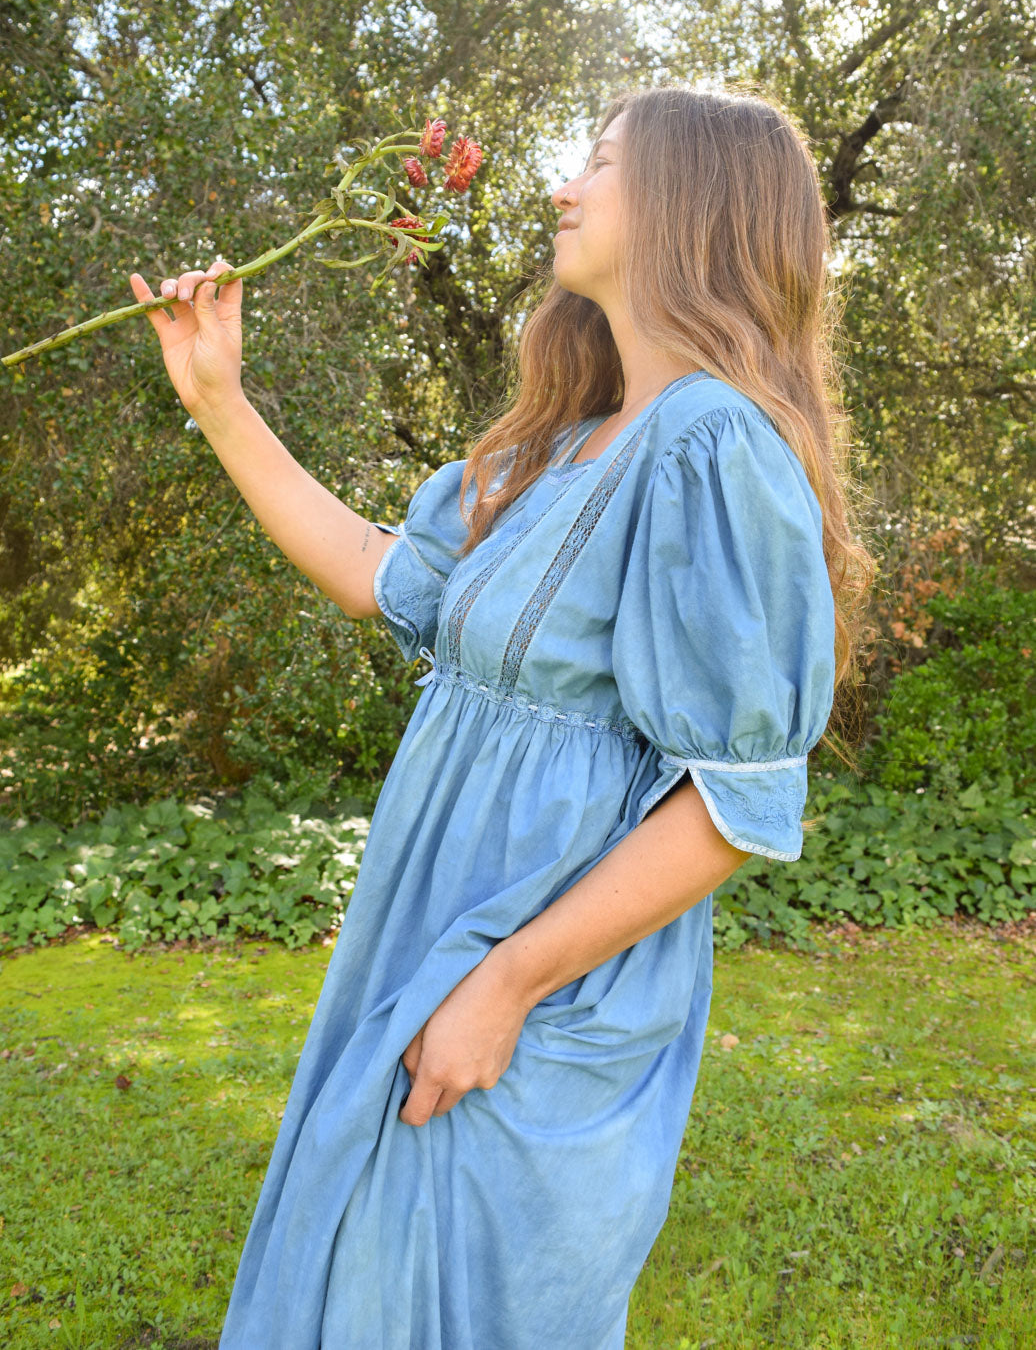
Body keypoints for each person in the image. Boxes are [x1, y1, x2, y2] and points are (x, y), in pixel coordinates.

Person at [130, 83, 872, 1349]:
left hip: (538, 984)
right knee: (359, 1272)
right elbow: (381, 575)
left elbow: (736, 800)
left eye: (597, 159)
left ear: (690, 204)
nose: (560, 184)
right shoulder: (570, 442)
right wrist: (219, 398)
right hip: (432, 932)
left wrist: (505, 987)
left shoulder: (709, 445)